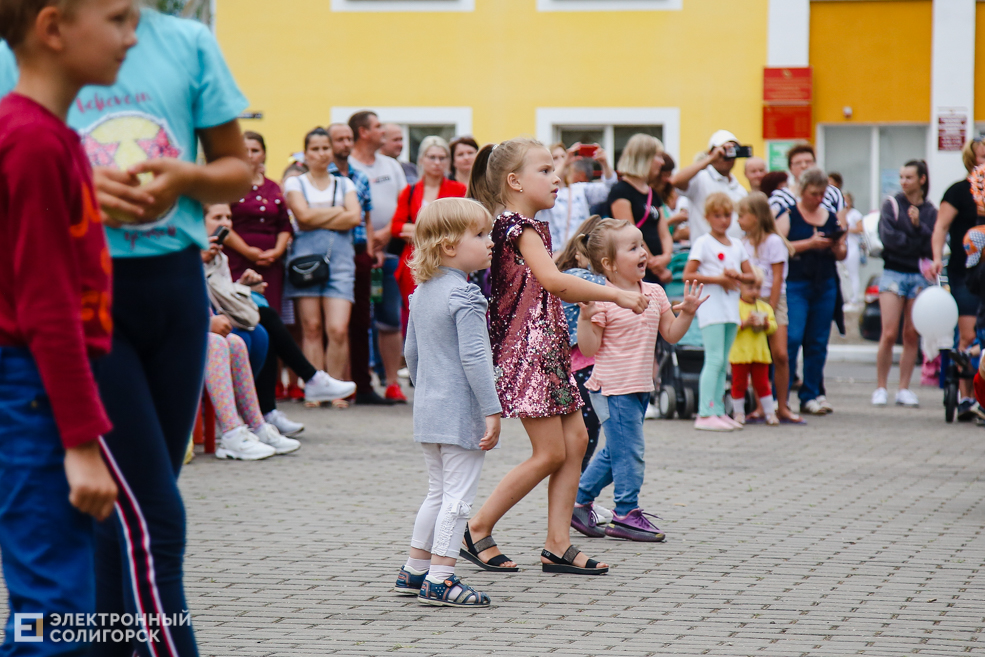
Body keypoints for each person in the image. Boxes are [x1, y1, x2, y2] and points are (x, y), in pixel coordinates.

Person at [0, 1, 131, 652]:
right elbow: (47, 305)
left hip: (35, 385)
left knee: (48, 607)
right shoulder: (32, 140)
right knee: (57, 613)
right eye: (117, 19)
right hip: (31, 389)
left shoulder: (46, 136)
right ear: (53, 29)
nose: (132, 37)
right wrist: (80, 442)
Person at [461, 138, 647, 576]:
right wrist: (616, 294)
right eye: (544, 171)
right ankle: (477, 528)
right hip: (526, 350)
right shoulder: (515, 226)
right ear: (514, 181)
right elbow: (555, 281)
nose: (557, 177)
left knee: (576, 442)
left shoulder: (531, 225)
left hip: (546, 347)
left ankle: (557, 544)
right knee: (548, 453)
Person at [395, 197, 500, 608]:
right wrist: (491, 410)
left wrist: (426, 393)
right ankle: (441, 578)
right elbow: (476, 359)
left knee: (436, 493)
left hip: (430, 410)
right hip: (460, 413)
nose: (489, 242)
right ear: (449, 246)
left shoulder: (421, 294)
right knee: (457, 499)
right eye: (480, 234)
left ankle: (414, 569)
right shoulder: (467, 296)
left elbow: (411, 355)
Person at [573, 220, 704, 541]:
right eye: (633, 248)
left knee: (615, 451)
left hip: (640, 388)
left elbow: (671, 335)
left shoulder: (655, 292)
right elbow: (588, 348)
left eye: (642, 245)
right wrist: (586, 318)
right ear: (609, 264)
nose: (644, 252)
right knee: (630, 452)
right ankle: (625, 513)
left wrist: (686, 313)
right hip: (612, 389)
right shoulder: (604, 298)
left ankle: (577, 503)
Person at [283, 127, 362, 398]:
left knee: (338, 328)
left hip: (339, 260)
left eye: (324, 148)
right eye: (314, 149)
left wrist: (316, 215)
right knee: (311, 327)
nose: (320, 153)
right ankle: (316, 387)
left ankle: (336, 386)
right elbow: (301, 217)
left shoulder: (345, 184)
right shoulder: (295, 182)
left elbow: (354, 218)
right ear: (305, 154)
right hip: (304, 261)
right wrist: (338, 212)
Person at [326, 122, 393, 406]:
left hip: (358, 251)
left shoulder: (361, 178)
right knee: (332, 323)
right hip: (329, 252)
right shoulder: (321, 176)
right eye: (339, 139)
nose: (344, 143)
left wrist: (369, 250)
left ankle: (362, 386)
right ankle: (335, 385)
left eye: (347, 138)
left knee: (363, 320)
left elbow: (365, 217)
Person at [348, 111, 409, 402]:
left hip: (390, 251)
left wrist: (384, 237)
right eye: (377, 127)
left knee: (390, 318)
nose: (382, 130)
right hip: (359, 252)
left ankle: (391, 380)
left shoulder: (391, 165)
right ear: (363, 132)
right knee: (358, 319)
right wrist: (371, 244)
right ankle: (353, 379)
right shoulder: (348, 165)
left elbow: (402, 204)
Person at [683, 193, 754, 431]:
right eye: (717, 216)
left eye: (727, 215)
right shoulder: (703, 242)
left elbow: (751, 275)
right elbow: (688, 274)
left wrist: (737, 276)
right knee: (713, 359)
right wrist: (719, 279)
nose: (723, 220)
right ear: (708, 217)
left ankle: (718, 410)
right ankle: (705, 412)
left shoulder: (737, 245)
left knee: (723, 362)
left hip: (730, 309)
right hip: (711, 307)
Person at [781, 168, 847, 416]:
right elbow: (779, 247)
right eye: (813, 193)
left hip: (825, 283)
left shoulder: (830, 216)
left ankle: (811, 394)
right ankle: (782, 394)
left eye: (822, 194)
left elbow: (842, 254)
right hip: (796, 283)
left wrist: (838, 243)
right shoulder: (788, 215)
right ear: (802, 190)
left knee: (818, 342)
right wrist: (809, 244)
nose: (818, 198)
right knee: (792, 338)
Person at [873, 161, 936, 408]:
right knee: (888, 333)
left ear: (922, 179)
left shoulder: (931, 210)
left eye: (909, 177)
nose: (903, 181)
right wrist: (916, 239)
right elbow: (889, 239)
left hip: (918, 276)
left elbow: (932, 244)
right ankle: (880, 387)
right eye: (901, 176)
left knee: (911, 333)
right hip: (893, 272)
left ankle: (903, 388)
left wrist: (919, 226)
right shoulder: (891, 205)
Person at [931, 137, 985, 419]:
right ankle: (966, 397)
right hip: (966, 273)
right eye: (981, 157)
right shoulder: (958, 192)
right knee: (968, 334)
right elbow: (940, 227)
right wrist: (937, 257)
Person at [737, 193, 802, 424]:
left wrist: (770, 310)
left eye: (742, 215)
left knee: (780, 355)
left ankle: (782, 405)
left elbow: (777, 279)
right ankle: (761, 407)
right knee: (757, 356)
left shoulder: (774, 242)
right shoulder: (742, 244)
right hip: (750, 300)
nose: (738, 220)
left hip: (773, 300)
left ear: (755, 217)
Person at [388, 136, 468, 320]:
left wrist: (418, 231)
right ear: (422, 159)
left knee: (446, 313)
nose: (437, 162)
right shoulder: (410, 190)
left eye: (442, 158)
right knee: (415, 315)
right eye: (432, 157)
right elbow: (396, 226)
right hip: (415, 262)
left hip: (449, 261)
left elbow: (461, 225)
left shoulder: (458, 190)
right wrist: (435, 232)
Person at [555, 215, 608, 482]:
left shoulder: (565, 275)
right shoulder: (583, 278)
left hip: (571, 370)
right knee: (584, 439)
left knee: (580, 440)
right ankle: (576, 498)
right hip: (582, 369)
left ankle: (574, 497)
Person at [225, 131, 293, 316]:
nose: (250, 155)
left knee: (270, 313)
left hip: (270, 262)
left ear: (263, 154)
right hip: (238, 258)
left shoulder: (273, 187)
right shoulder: (229, 185)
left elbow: (285, 224)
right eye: (245, 150)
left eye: (255, 150)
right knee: (240, 311)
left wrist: (277, 251)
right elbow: (222, 223)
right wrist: (247, 251)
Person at [606, 134, 673, 283]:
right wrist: (656, 266)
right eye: (658, 156)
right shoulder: (621, 191)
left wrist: (666, 256)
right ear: (644, 158)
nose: (661, 162)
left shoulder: (652, 193)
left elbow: (664, 232)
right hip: (637, 270)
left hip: (656, 269)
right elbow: (630, 232)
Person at [536, 142, 616, 252]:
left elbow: (609, 190)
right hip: (554, 257)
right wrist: (565, 163)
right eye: (555, 158)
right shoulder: (542, 192)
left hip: (580, 254)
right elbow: (545, 185)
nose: (561, 160)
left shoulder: (578, 189)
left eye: (563, 156)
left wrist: (604, 163)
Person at [672, 130, 749, 240]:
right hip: (705, 254)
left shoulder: (739, 189)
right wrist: (711, 159)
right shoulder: (700, 179)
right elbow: (676, 181)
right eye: (724, 149)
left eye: (733, 150)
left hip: (733, 253)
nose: (728, 154)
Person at [729, 267, 779, 426]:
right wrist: (744, 323)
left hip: (759, 353)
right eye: (750, 288)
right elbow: (731, 326)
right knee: (739, 383)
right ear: (740, 287)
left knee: (763, 383)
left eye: (758, 288)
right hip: (740, 353)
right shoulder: (735, 306)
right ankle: (738, 413)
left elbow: (773, 326)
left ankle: (770, 413)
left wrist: (765, 324)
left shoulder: (765, 307)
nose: (754, 292)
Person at [769, 143, 847, 233]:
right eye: (798, 163)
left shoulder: (833, 193)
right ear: (791, 168)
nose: (804, 166)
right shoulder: (780, 197)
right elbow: (772, 230)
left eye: (808, 162)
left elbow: (842, 226)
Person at [842, 192, 865, 311]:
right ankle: (845, 297)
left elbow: (861, 229)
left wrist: (848, 229)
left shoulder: (855, 214)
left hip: (852, 246)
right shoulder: (840, 213)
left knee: (853, 273)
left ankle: (854, 298)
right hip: (843, 245)